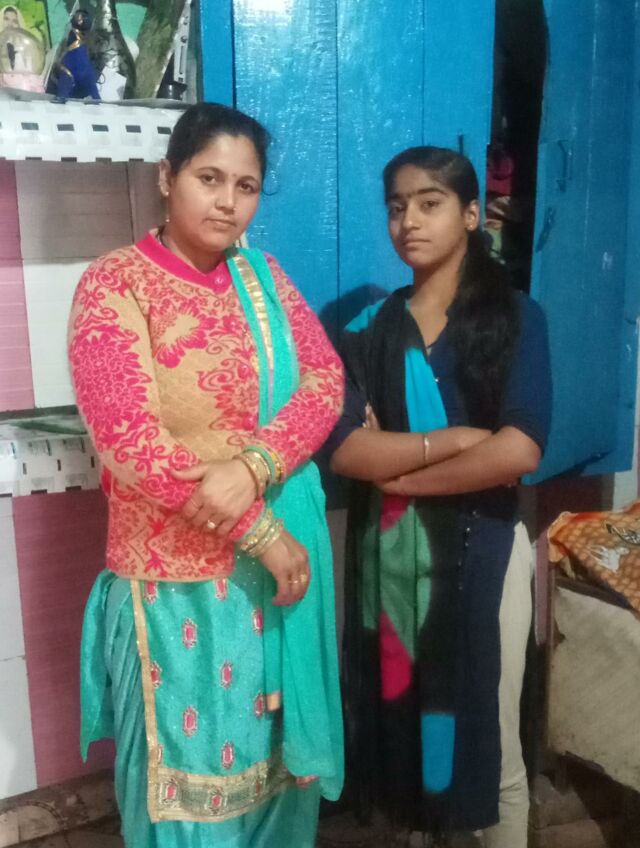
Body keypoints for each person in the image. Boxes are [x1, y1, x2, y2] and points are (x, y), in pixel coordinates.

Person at [68, 102, 344, 848]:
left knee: (275, 791)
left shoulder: (265, 280)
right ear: (167, 178)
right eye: (208, 178)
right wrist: (260, 531)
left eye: (245, 186)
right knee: (187, 807)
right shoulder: (115, 284)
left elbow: (324, 381)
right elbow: (129, 441)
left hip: (272, 590)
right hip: (176, 590)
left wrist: (257, 465)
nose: (227, 201)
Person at [328, 146, 551, 847]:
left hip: (485, 557)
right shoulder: (367, 330)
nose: (409, 222)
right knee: (404, 742)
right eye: (397, 207)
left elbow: (519, 449)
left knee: (490, 747)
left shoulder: (514, 318)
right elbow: (346, 449)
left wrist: (401, 476)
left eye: (430, 204)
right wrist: (458, 440)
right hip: (390, 569)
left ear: (471, 214)